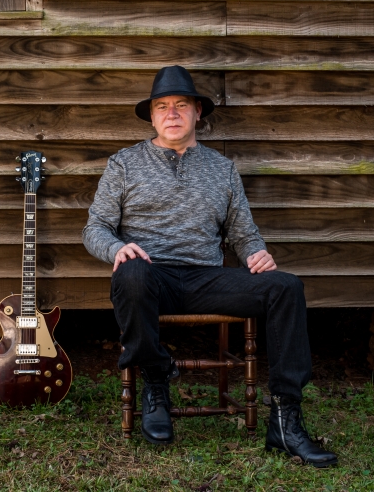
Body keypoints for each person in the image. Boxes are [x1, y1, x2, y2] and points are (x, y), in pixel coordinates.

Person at [82, 66, 338, 468]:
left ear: (197, 112)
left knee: (286, 286)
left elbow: (243, 234)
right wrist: (117, 248)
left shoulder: (223, 169)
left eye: (181, 105)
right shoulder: (124, 164)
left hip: (206, 278)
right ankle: (156, 381)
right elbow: (95, 227)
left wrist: (257, 253)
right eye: (162, 107)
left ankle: (286, 420)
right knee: (130, 272)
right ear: (152, 116)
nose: (172, 113)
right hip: (149, 276)